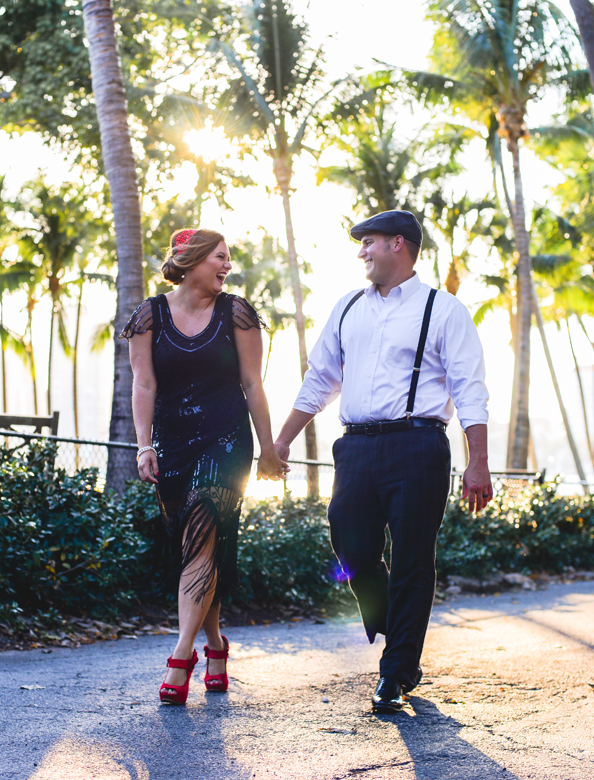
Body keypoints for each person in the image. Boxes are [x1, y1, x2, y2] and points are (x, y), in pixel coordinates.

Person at [273, 209, 493, 714]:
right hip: (355, 447)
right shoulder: (348, 307)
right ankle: (402, 641)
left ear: (399, 244)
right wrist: (283, 441)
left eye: (368, 242)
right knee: (351, 547)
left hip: (418, 446)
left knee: (414, 559)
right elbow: (319, 381)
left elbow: (470, 391)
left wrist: (476, 462)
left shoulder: (444, 310)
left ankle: (394, 674)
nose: (361, 252)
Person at [122, 227, 288, 706]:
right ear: (192, 260)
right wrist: (144, 446)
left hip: (226, 440)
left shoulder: (236, 312)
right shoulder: (148, 316)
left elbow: (252, 384)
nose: (227, 265)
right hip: (172, 445)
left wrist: (268, 450)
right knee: (199, 545)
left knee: (201, 523)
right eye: (220, 256)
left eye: (228, 258)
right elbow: (144, 386)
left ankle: (181, 655)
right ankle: (215, 645)